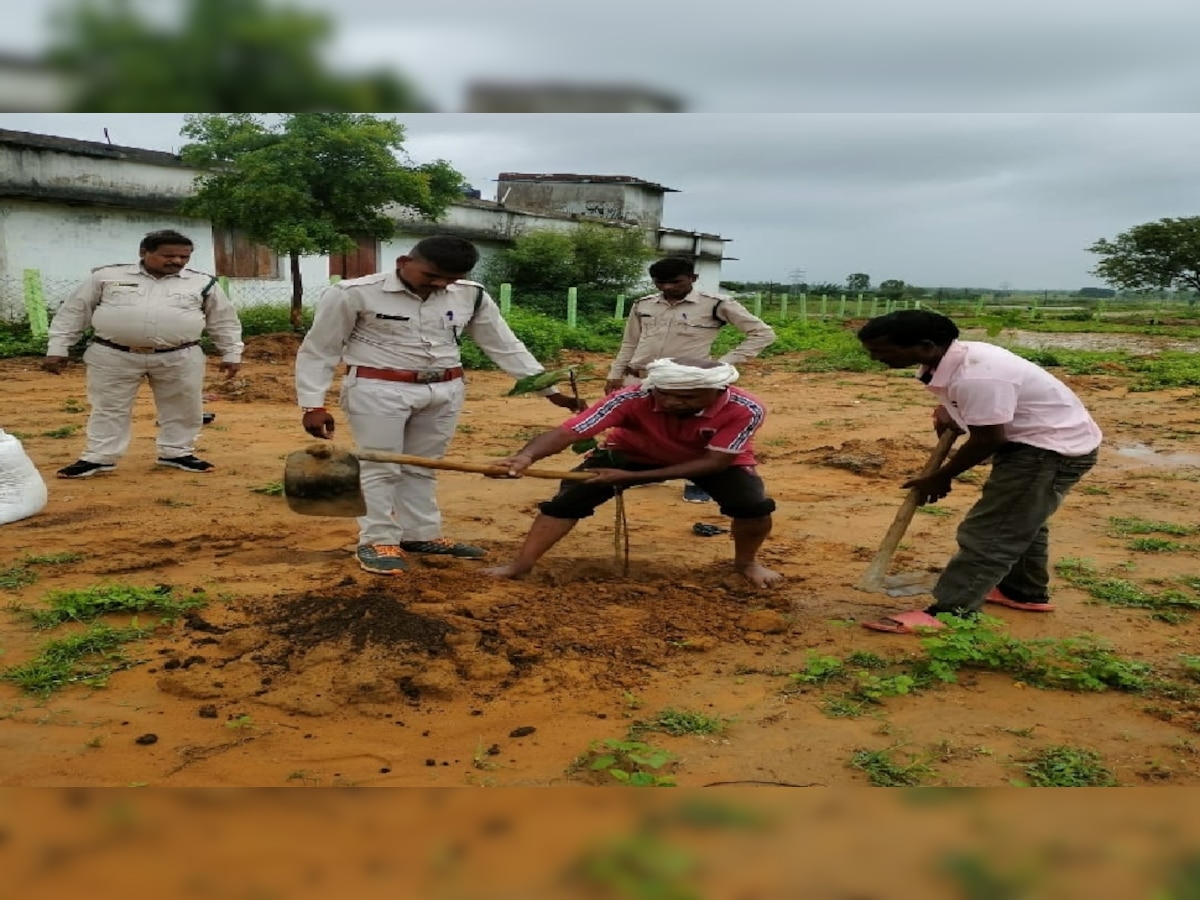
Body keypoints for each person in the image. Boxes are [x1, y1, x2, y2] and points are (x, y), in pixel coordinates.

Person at [295, 235, 583, 576]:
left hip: (445, 389)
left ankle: (420, 535)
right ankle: (376, 540)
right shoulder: (353, 293)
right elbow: (320, 349)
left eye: (450, 278)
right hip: (379, 389)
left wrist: (548, 389)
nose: (441, 284)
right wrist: (312, 403)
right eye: (432, 276)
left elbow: (504, 345)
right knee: (380, 465)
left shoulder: (471, 295)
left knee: (424, 466)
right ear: (404, 262)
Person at [855, 310, 1103, 635]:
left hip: (1048, 451)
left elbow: (989, 437)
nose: (876, 358)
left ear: (927, 345)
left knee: (993, 531)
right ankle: (1023, 592)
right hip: (1036, 443)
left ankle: (951, 611)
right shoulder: (949, 361)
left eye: (882, 351)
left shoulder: (978, 375)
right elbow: (977, 414)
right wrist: (950, 411)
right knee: (1020, 518)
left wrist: (941, 476)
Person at [482, 357, 783, 588]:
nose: (672, 401)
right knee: (568, 500)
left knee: (752, 506)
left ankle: (746, 564)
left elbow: (714, 464)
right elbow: (571, 431)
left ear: (719, 391)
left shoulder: (746, 408)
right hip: (631, 453)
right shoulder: (630, 397)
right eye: (664, 394)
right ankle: (520, 565)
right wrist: (525, 456)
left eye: (689, 397)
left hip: (708, 459)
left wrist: (629, 479)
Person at [44, 229, 243, 478]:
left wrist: (231, 353)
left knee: (184, 406)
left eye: (184, 257)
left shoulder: (202, 283)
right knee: (108, 406)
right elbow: (74, 312)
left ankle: (177, 452)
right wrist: (58, 348)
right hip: (113, 355)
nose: (177, 262)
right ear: (144, 252)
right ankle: (99, 457)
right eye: (168, 255)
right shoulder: (106, 277)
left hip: (180, 356)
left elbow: (224, 320)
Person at [605, 256, 775, 503]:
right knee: (642, 427)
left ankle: (697, 481)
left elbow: (762, 333)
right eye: (660, 283)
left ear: (693, 279)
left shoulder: (715, 305)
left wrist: (722, 365)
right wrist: (615, 373)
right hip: (642, 378)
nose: (668, 288)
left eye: (675, 282)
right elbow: (630, 341)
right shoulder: (643, 305)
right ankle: (648, 472)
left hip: (689, 384)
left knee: (693, 432)